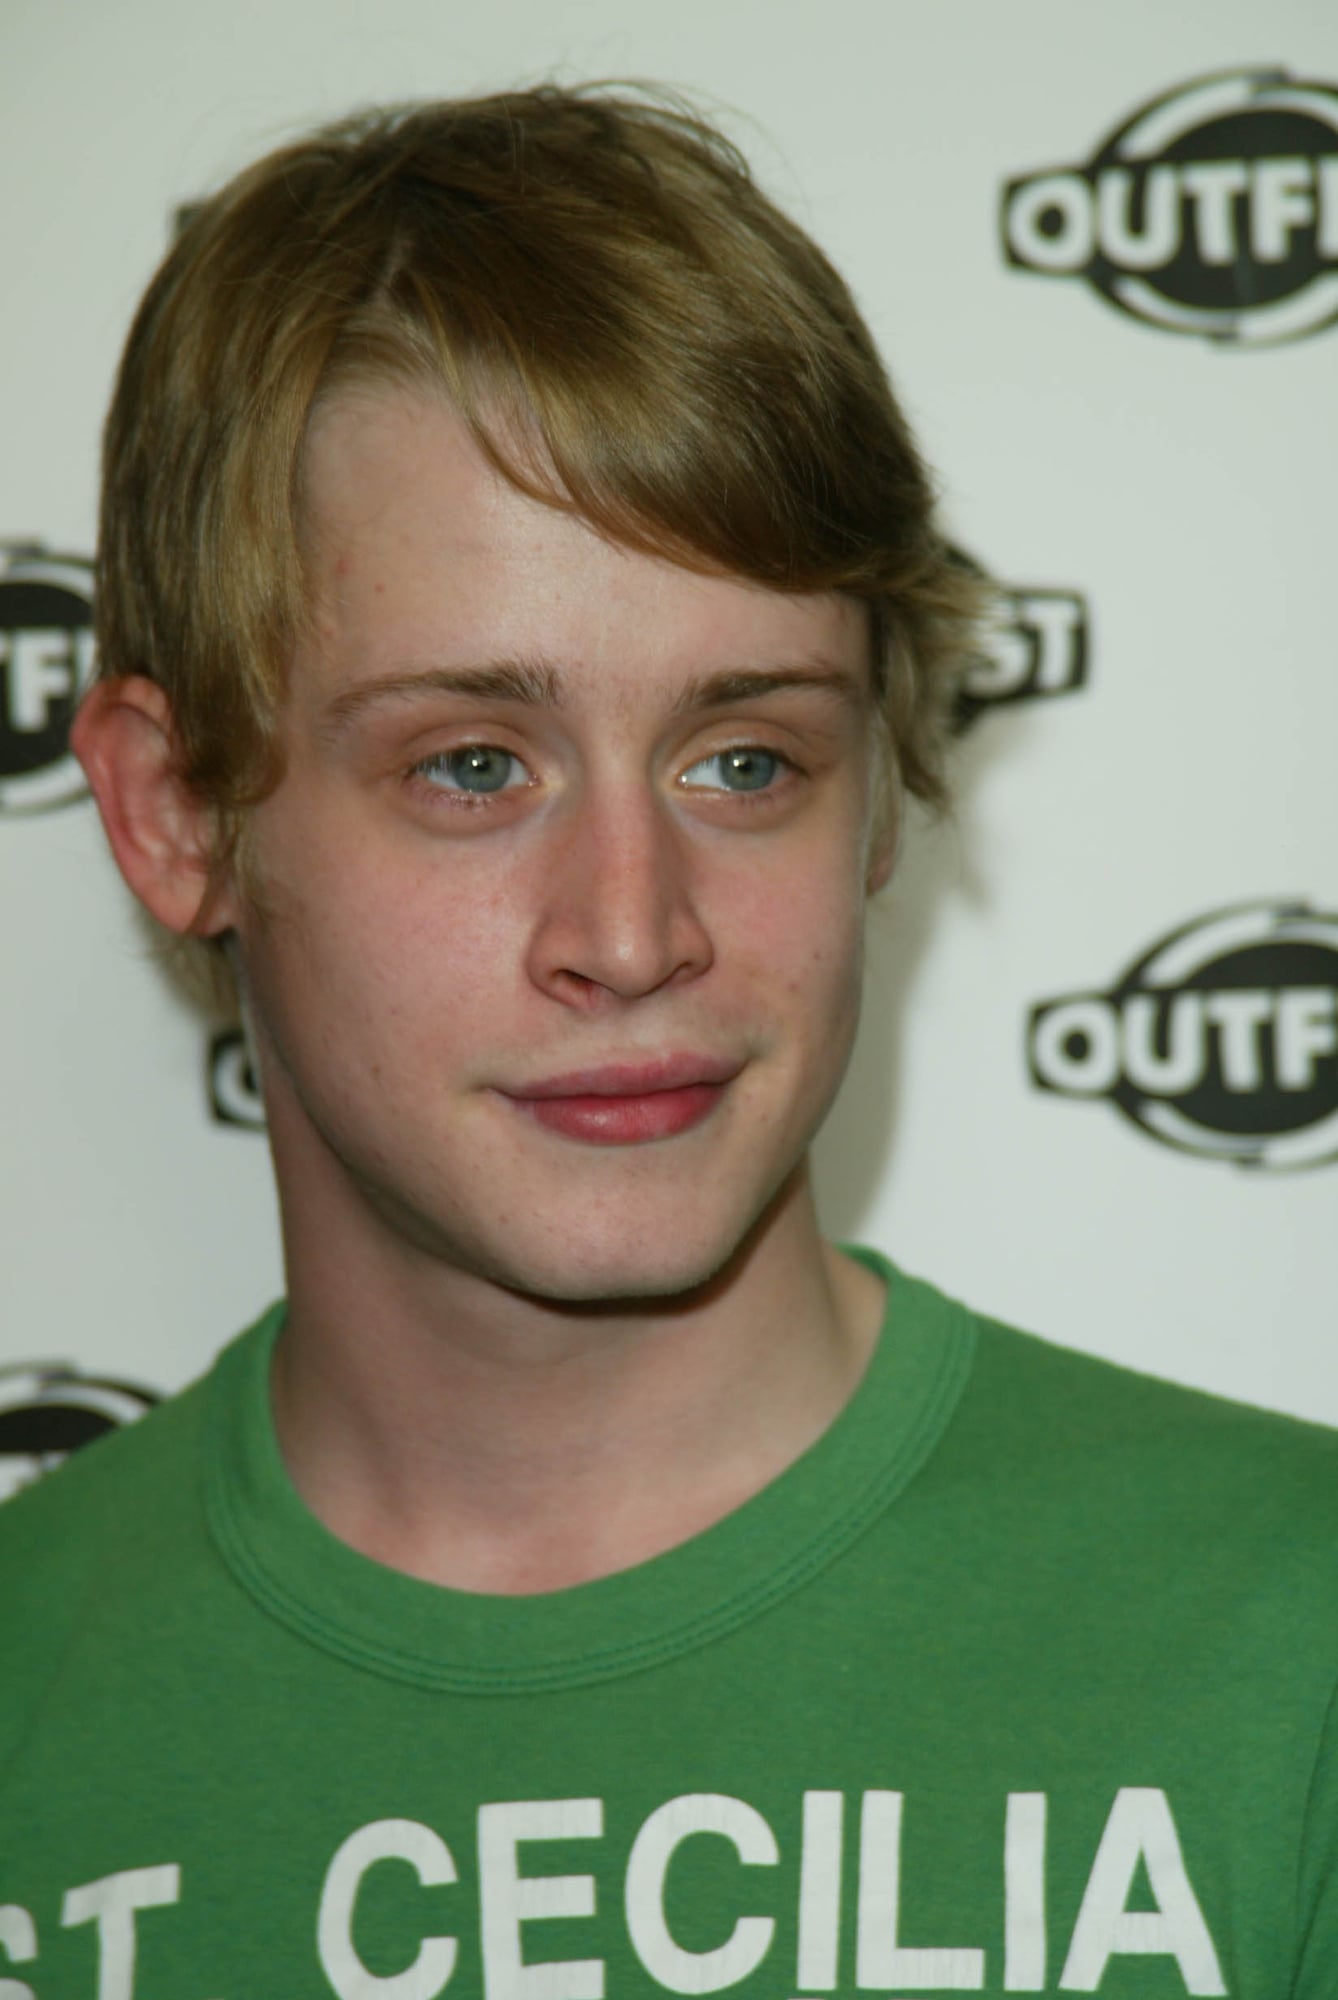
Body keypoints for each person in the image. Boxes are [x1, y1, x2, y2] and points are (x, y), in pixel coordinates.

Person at [2, 84, 1335, 2000]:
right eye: (473, 767)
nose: (632, 935)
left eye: (744, 760)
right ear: (175, 814)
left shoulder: (1291, 1650)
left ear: (878, 796)